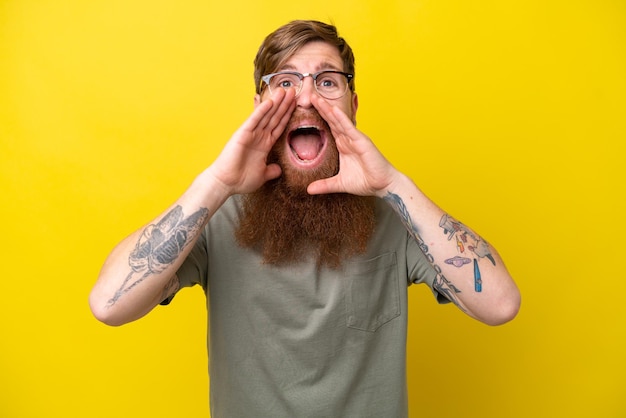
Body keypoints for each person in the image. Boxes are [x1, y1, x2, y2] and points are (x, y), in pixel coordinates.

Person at [89, 20, 521, 417]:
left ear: (353, 105)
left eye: (326, 81)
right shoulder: (216, 216)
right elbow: (108, 305)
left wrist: (392, 184)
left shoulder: (397, 215)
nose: (307, 97)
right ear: (259, 106)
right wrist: (218, 181)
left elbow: (501, 305)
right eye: (286, 82)